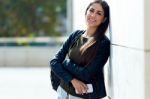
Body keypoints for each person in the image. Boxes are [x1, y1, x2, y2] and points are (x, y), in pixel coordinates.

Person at [50, 0, 110, 99]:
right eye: (91, 10)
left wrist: (66, 63)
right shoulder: (76, 35)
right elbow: (54, 62)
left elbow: (87, 74)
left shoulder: (103, 43)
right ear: (86, 12)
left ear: (104, 19)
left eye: (99, 13)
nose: (93, 15)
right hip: (62, 93)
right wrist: (72, 80)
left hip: (81, 96)